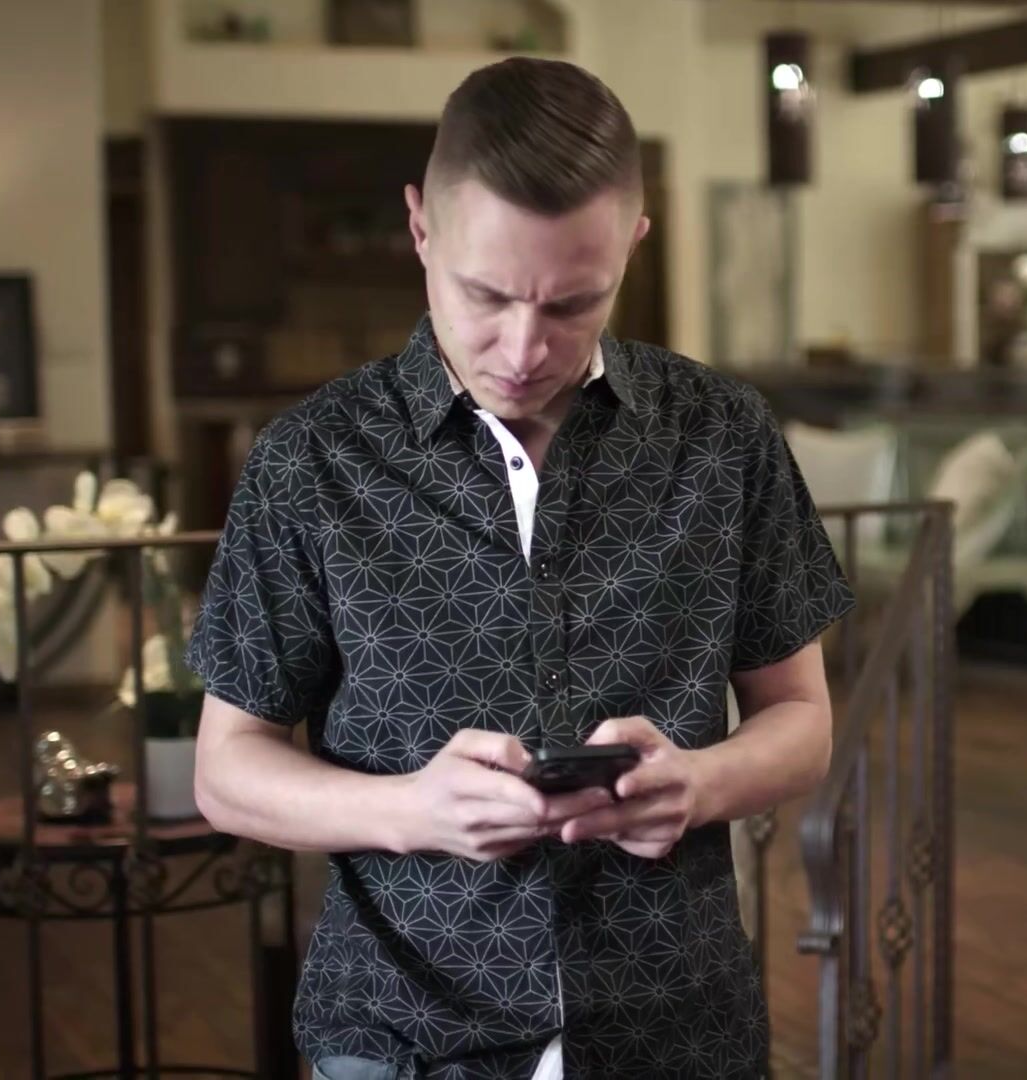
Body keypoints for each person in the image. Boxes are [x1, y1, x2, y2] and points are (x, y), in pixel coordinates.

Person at [187, 57, 853, 1080]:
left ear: (632, 244)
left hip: (678, 1029)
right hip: (402, 1038)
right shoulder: (311, 460)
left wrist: (700, 782)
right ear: (420, 228)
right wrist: (412, 810)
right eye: (485, 295)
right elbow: (226, 770)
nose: (524, 347)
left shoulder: (723, 435)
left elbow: (801, 720)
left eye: (574, 304)